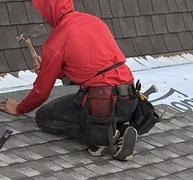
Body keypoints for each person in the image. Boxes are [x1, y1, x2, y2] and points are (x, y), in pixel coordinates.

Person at [0, 0, 140, 161]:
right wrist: (49, 69)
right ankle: (119, 128)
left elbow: (42, 92)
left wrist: (19, 108)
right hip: (128, 100)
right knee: (89, 100)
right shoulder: (94, 21)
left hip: (101, 103)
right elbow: (90, 68)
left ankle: (102, 137)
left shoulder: (58, 38)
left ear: (49, 9)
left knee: (44, 116)